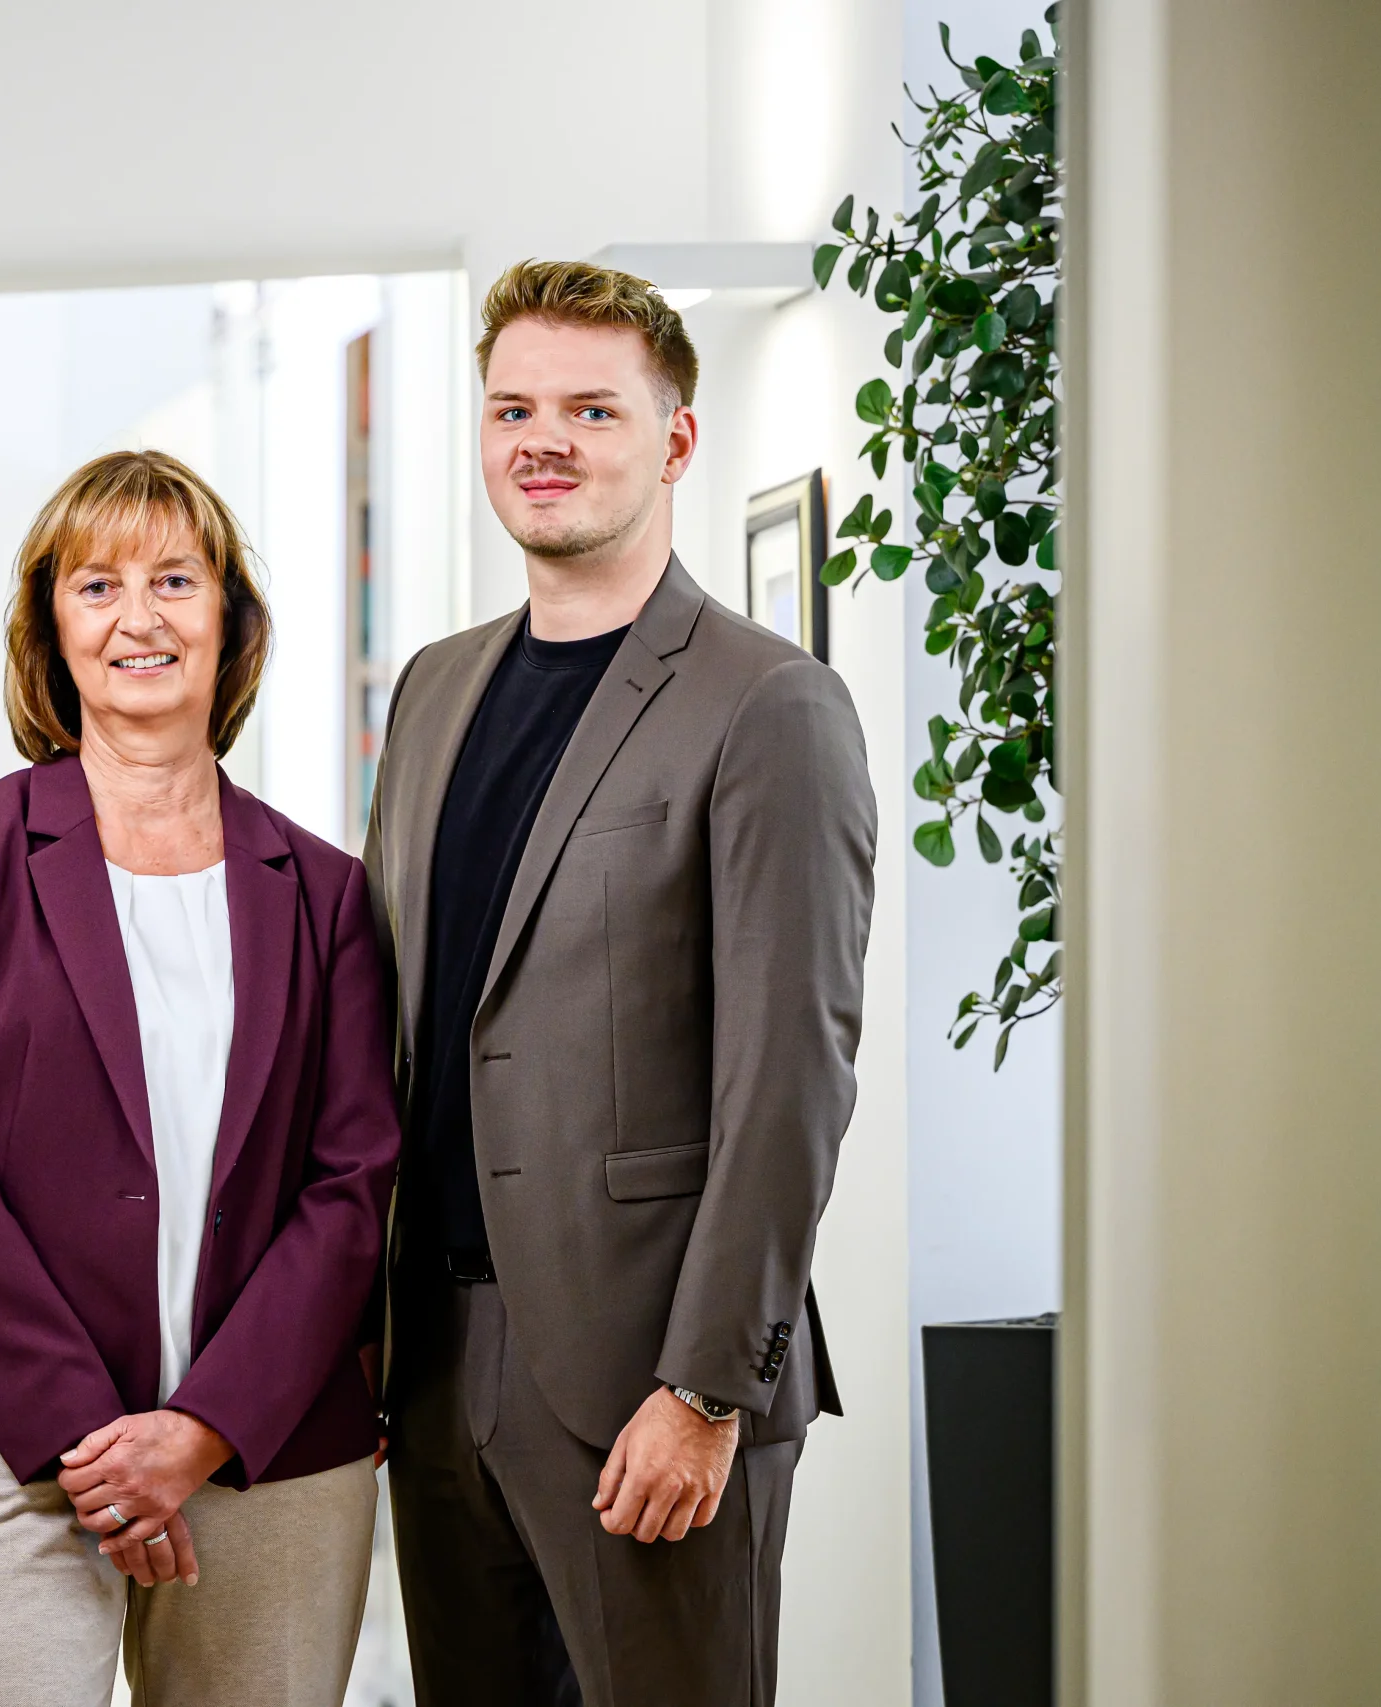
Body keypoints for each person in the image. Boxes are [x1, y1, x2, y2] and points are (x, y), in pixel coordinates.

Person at [367, 260, 878, 1706]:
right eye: (512, 409)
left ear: (674, 440)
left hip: (647, 1374)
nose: (544, 440)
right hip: (434, 1361)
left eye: (592, 409)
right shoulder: (434, 688)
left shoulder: (766, 700)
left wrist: (708, 1385)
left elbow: (790, 1075)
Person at [0, 450, 400, 1707]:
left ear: (229, 620)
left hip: (268, 1452)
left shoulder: (325, 892)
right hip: (7, 1452)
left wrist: (201, 1431)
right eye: (96, 585)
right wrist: (92, 1445)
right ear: (51, 629)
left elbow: (352, 1184)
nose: (138, 617)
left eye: (174, 579)